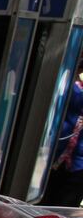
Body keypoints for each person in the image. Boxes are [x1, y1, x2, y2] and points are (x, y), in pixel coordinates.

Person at [43, 74, 83, 207]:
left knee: (66, 204)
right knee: (45, 199)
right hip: (56, 157)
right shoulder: (74, 90)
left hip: (78, 166)